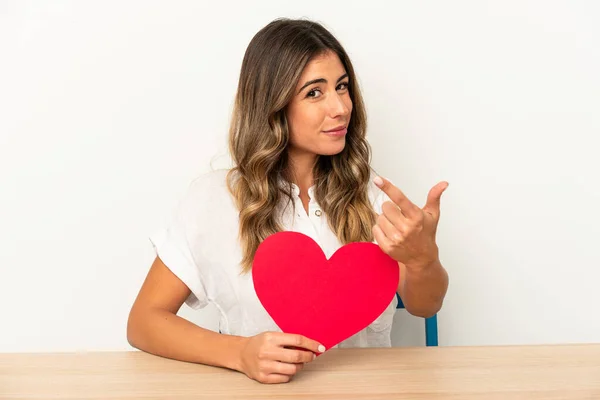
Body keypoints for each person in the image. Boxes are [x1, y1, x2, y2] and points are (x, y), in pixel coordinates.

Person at [127, 17, 449, 384]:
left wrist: (424, 259)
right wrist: (239, 353)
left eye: (341, 87)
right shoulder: (213, 201)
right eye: (315, 92)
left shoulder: (372, 196)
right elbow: (144, 321)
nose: (340, 107)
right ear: (272, 106)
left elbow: (426, 305)